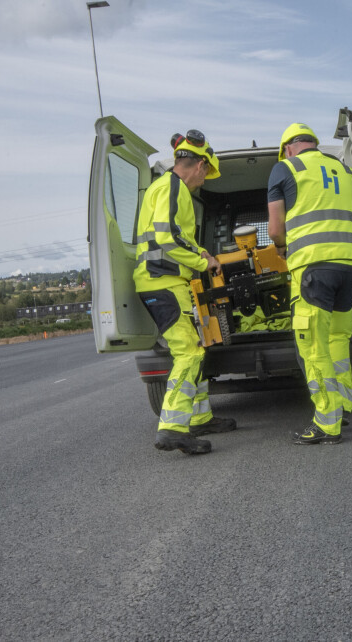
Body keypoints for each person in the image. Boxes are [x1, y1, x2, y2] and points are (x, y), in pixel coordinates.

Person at [133, 129, 237, 455]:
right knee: (189, 353)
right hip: (162, 282)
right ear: (200, 166)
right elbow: (166, 238)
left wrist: (202, 255)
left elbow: (177, 237)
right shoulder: (171, 188)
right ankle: (173, 428)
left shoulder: (168, 189)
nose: (203, 182)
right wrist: (202, 262)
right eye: (205, 175)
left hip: (167, 281)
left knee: (197, 347)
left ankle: (200, 417)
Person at [267, 123, 352, 445]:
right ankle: (343, 407)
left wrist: (283, 249)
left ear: (288, 148)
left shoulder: (285, 168)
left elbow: (275, 231)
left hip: (313, 267)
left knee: (313, 346)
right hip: (351, 264)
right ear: (313, 143)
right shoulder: (345, 169)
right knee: (338, 339)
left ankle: (326, 424)